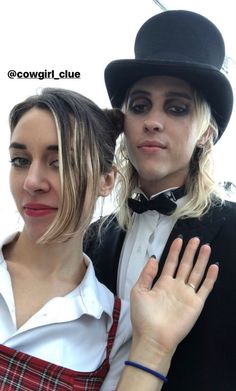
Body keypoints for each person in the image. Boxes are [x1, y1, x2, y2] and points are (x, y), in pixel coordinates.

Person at [0, 87, 218, 390]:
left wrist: (154, 349)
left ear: (106, 180)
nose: (33, 182)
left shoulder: (115, 328)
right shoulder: (100, 239)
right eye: (20, 160)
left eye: (60, 162)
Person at [84, 10, 236, 390]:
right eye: (139, 106)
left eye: (176, 107)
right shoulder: (92, 239)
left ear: (206, 132)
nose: (153, 121)